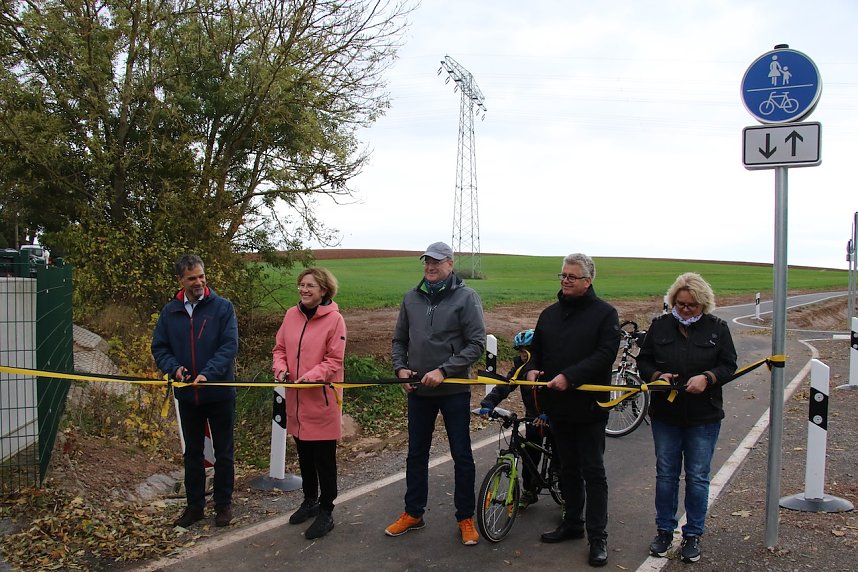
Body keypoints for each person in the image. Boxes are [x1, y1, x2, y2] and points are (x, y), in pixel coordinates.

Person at [385, 241, 486, 546]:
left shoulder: (466, 297)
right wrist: (400, 368)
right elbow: (399, 340)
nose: (430, 267)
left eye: (437, 262)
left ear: (450, 265)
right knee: (416, 454)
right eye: (427, 262)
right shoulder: (411, 298)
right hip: (418, 390)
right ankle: (413, 512)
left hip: (453, 389)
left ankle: (465, 517)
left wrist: (444, 370)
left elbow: (476, 343)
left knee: (461, 455)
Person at [636, 272, 737, 564]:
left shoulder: (717, 329)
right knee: (666, 474)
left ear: (703, 304)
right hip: (666, 415)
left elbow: (728, 364)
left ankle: (693, 534)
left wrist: (708, 377)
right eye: (679, 304)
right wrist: (657, 376)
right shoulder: (660, 327)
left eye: (691, 305)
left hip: (703, 416)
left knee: (697, 477)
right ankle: (664, 530)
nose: (684, 310)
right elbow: (644, 360)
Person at [526, 253, 619, 568]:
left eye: (572, 276)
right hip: (557, 407)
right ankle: (572, 523)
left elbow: (606, 354)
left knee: (593, 472)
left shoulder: (606, 314)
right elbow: (536, 350)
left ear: (588, 280)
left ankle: (598, 536)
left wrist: (571, 377)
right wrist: (533, 369)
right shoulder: (549, 314)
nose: (565, 280)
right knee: (566, 469)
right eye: (562, 275)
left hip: (590, 408)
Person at [152, 254, 239, 528]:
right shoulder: (170, 312)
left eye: (201, 276)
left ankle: (223, 505)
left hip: (219, 392)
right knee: (193, 454)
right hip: (188, 396)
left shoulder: (222, 308)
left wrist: (208, 373)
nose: (199, 282)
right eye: (192, 278)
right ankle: (195, 507)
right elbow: (160, 348)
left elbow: (229, 346)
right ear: (181, 281)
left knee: (224, 452)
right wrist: (174, 368)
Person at [272, 267, 347, 540]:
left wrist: (310, 377)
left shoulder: (335, 321)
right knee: (303, 452)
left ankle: (326, 509)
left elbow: (334, 361)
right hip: (296, 400)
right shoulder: (291, 316)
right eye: (301, 285)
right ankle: (309, 500)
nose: (304, 290)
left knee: (324, 459)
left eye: (310, 286)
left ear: (324, 290)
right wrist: (280, 370)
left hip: (321, 399)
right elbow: (279, 349)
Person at [478, 329, 552, 509]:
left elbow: (560, 392)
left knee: (561, 460)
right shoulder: (521, 367)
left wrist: (550, 412)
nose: (522, 355)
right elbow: (506, 385)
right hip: (533, 417)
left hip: (553, 416)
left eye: (525, 350)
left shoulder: (550, 364)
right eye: (520, 351)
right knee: (529, 457)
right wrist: (488, 403)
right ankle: (529, 491)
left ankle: (567, 498)